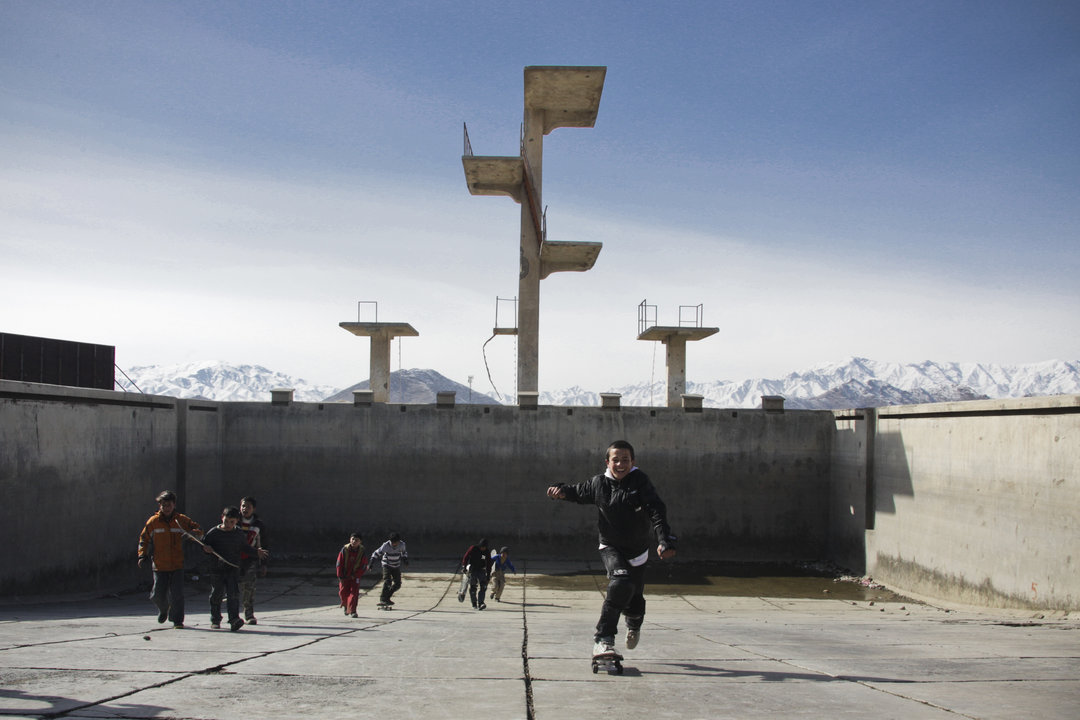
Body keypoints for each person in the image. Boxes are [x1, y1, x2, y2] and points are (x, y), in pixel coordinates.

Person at [546, 440, 677, 658]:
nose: (620, 464)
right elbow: (578, 492)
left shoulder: (640, 482)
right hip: (610, 546)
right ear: (608, 462)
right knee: (620, 582)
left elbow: (656, 511)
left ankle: (634, 624)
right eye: (615, 460)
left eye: (625, 460)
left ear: (632, 462)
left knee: (635, 603)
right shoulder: (599, 484)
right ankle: (603, 639)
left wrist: (664, 540)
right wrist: (560, 491)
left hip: (637, 551)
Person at [137, 490, 203, 629]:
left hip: (177, 564)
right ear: (160, 505)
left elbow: (199, 530)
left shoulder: (181, 520)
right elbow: (144, 539)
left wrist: (192, 534)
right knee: (157, 594)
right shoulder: (153, 522)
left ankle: (177, 620)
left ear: (174, 505)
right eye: (163, 505)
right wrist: (142, 555)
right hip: (160, 565)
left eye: (169, 505)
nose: (166, 508)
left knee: (177, 594)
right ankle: (163, 609)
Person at [203, 506, 269, 631]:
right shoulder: (213, 533)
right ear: (222, 518)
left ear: (236, 521)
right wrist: (206, 549)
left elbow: (244, 548)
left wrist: (256, 552)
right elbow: (204, 545)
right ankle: (215, 619)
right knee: (216, 594)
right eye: (226, 521)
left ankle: (234, 619)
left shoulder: (238, 533)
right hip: (217, 569)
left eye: (231, 522)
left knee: (233, 594)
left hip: (233, 568)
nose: (228, 524)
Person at [238, 496, 268, 625]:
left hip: (250, 560)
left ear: (253, 509)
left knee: (249, 588)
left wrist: (264, 564)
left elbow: (264, 544)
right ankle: (232, 615)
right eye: (243, 506)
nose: (245, 509)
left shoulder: (258, 525)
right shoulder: (234, 521)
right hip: (234, 560)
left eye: (248, 507)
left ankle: (248, 614)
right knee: (233, 588)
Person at [370, 532, 408, 606]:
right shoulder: (386, 545)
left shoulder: (402, 544)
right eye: (393, 543)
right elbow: (376, 553)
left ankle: (387, 597)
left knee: (398, 584)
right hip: (387, 565)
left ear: (399, 541)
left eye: (396, 543)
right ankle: (383, 598)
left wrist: (405, 560)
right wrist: (371, 563)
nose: (394, 545)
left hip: (396, 565)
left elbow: (404, 552)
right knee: (388, 582)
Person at [336, 532, 369, 617]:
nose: (354, 541)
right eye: (352, 539)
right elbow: (339, 563)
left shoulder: (362, 551)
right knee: (343, 592)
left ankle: (353, 611)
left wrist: (357, 575)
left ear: (360, 542)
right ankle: (346, 606)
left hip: (355, 576)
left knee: (354, 593)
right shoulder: (344, 549)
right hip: (344, 576)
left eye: (356, 540)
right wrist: (340, 576)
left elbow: (363, 565)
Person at [457, 538, 491, 610]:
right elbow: (466, 557)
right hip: (473, 569)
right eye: (482, 547)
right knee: (473, 587)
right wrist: (464, 567)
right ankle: (474, 603)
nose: (483, 549)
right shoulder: (473, 548)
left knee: (483, 586)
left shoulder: (487, 552)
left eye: (484, 547)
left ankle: (481, 602)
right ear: (480, 545)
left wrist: (488, 575)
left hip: (481, 570)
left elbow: (489, 564)